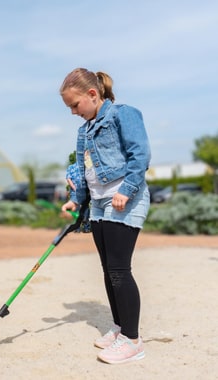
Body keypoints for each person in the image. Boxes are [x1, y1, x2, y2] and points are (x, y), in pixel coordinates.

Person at [59, 68, 151, 365]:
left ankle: (133, 340)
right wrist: (76, 200)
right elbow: (84, 171)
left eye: (75, 105)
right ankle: (119, 327)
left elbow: (140, 154)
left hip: (124, 198)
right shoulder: (83, 130)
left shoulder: (123, 114)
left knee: (119, 269)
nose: (73, 112)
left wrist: (128, 188)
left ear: (93, 94)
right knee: (108, 268)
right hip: (98, 203)